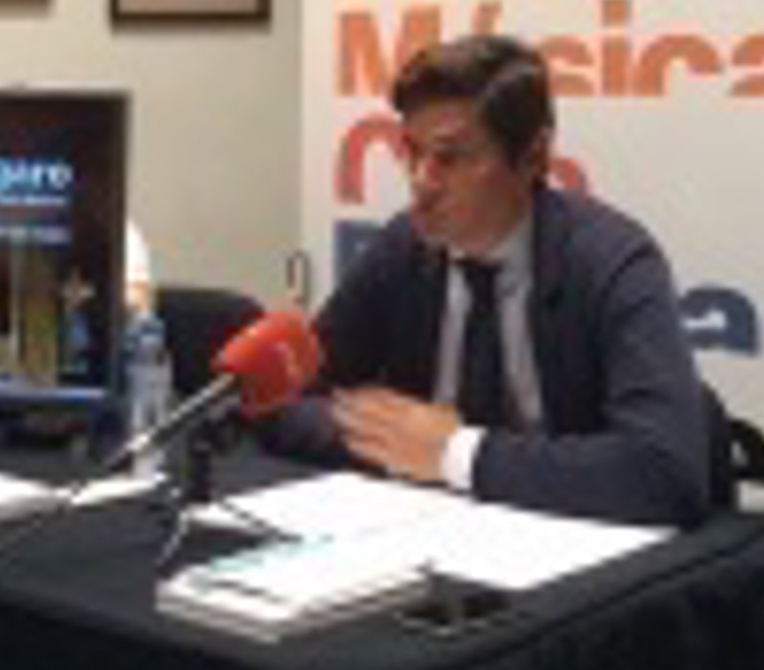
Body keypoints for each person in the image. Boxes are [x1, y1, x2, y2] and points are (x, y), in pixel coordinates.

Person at [270, 34, 709, 526]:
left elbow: (665, 472)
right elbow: (284, 402)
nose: (421, 180)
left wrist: (456, 454)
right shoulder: (404, 251)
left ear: (533, 158)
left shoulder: (609, 260)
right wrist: (388, 436)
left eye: (450, 158)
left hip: (568, 544)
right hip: (429, 534)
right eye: (411, 152)